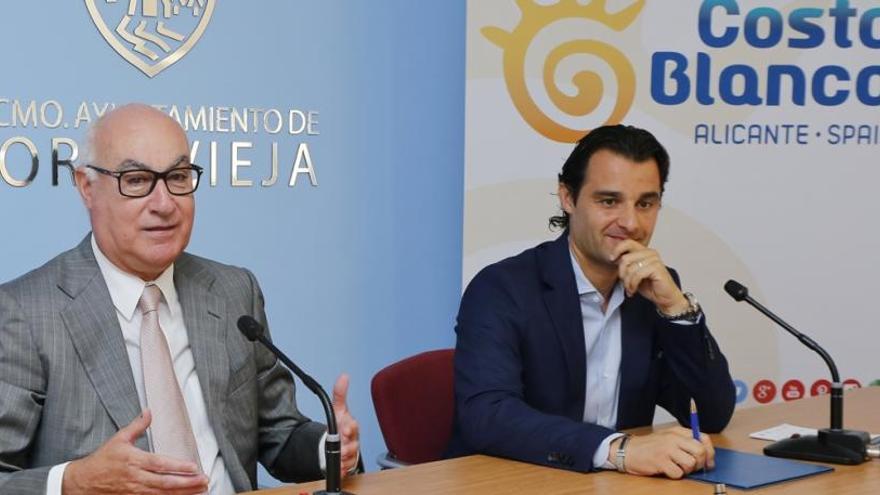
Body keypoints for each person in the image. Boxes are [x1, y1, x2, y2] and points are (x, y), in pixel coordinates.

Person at [0, 104, 360, 494]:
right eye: (136, 180)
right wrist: (72, 482)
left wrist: (329, 448)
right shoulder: (25, 313)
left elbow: (279, 433)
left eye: (177, 177)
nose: (165, 203)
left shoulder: (232, 290)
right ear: (87, 187)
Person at [447, 125, 735, 478]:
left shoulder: (655, 289)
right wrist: (619, 450)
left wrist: (676, 310)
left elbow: (712, 415)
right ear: (567, 198)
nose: (630, 222)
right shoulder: (502, 288)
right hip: (516, 482)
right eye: (609, 201)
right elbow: (487, 415)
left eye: (646, 203)